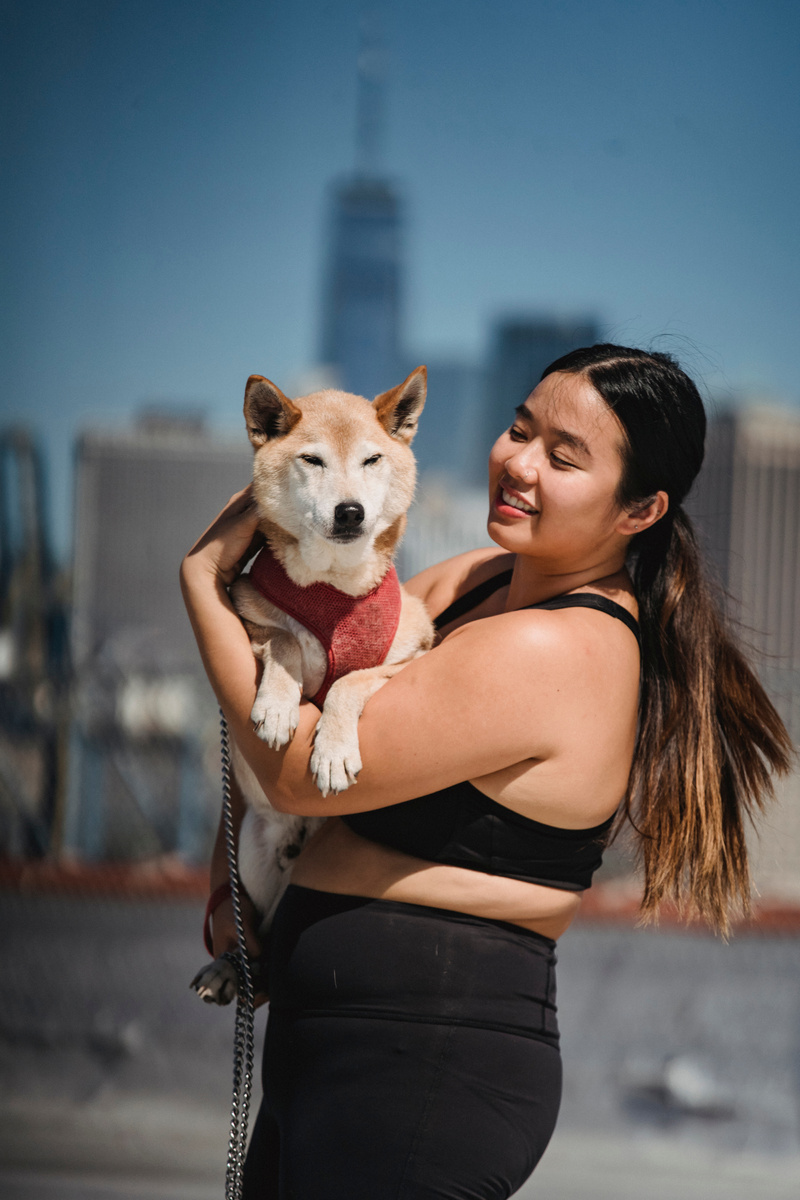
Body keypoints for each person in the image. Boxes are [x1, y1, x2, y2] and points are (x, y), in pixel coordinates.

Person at [180, 344, 791, 1200]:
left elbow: (290, 774)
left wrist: (204, 578)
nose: (520, 464)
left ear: (640, 510)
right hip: (334, 1051)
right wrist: (233, 898)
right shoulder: (474, 580)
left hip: (424, 1064)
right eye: (518, 430)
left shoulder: (555, 645)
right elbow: (283, 696)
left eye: (563, 456)